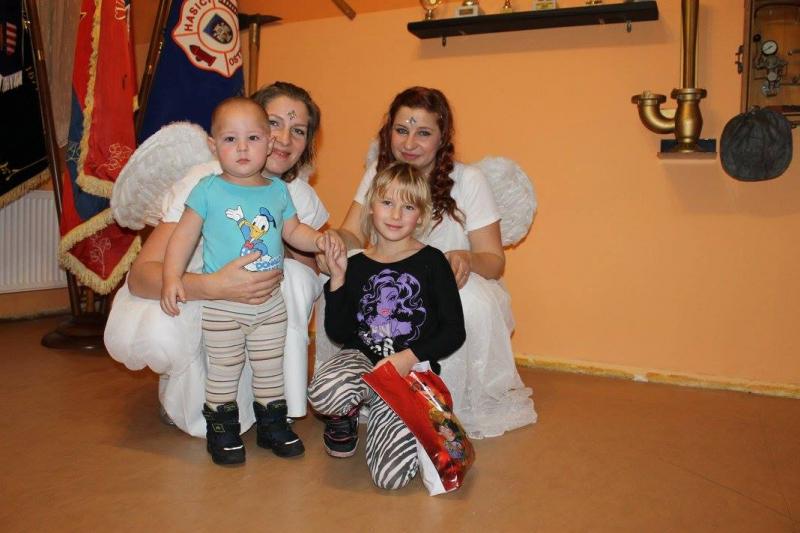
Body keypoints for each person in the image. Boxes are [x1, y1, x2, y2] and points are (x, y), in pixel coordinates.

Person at [104, 81, 329, 438]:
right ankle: (197, 389)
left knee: (299, 279)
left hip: (264, 313)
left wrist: (319, 248)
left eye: (298, 130)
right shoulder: (204, 183)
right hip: (203, 301)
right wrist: (213, 286)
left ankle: (276, 405)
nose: (284, 139)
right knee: (202, 409)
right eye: (274, 123)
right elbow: (141, 276)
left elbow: (311, 268)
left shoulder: (295, 194)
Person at [317, 86, 536, 439]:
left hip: (448, 279)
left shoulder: (468, 180)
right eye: (401, 130)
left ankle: (437, 400)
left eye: (423, 133)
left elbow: (495, 262)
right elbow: (353, 233)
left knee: (466, 301)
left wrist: (467, 257)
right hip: (390, 274)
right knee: (344, 276)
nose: (409, 143)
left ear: (442, 137)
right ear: (388, 131)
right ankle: (354, 388)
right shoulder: (378, 172)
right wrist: (332, 243)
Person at [159, 96, 342, 465]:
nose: (242, 148)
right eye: (230, 139)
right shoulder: (208, 189)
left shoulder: (277, 191)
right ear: (214, 146)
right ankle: (222, 428)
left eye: (253, 139)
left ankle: (271, 425)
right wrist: (171, 276)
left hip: (270, 304)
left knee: (270, 367)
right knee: (224, 371)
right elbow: (183, 237)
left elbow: (293, 231)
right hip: (224, 306)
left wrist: (320, 240)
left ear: (268, 144)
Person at [308, 162, 465, 490]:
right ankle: (347, 413)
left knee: (390, 479)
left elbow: (453, 331)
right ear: (370, 207)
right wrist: (338, 279)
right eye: (387, 202)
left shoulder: (433, 261)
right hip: (363, 363)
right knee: (323, 391)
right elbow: (339, 334)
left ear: (420, 216)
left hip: (408, 375)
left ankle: (390, 415)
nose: (395, 215)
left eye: (408, 207)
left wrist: (408, 357)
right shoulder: (355, 264)